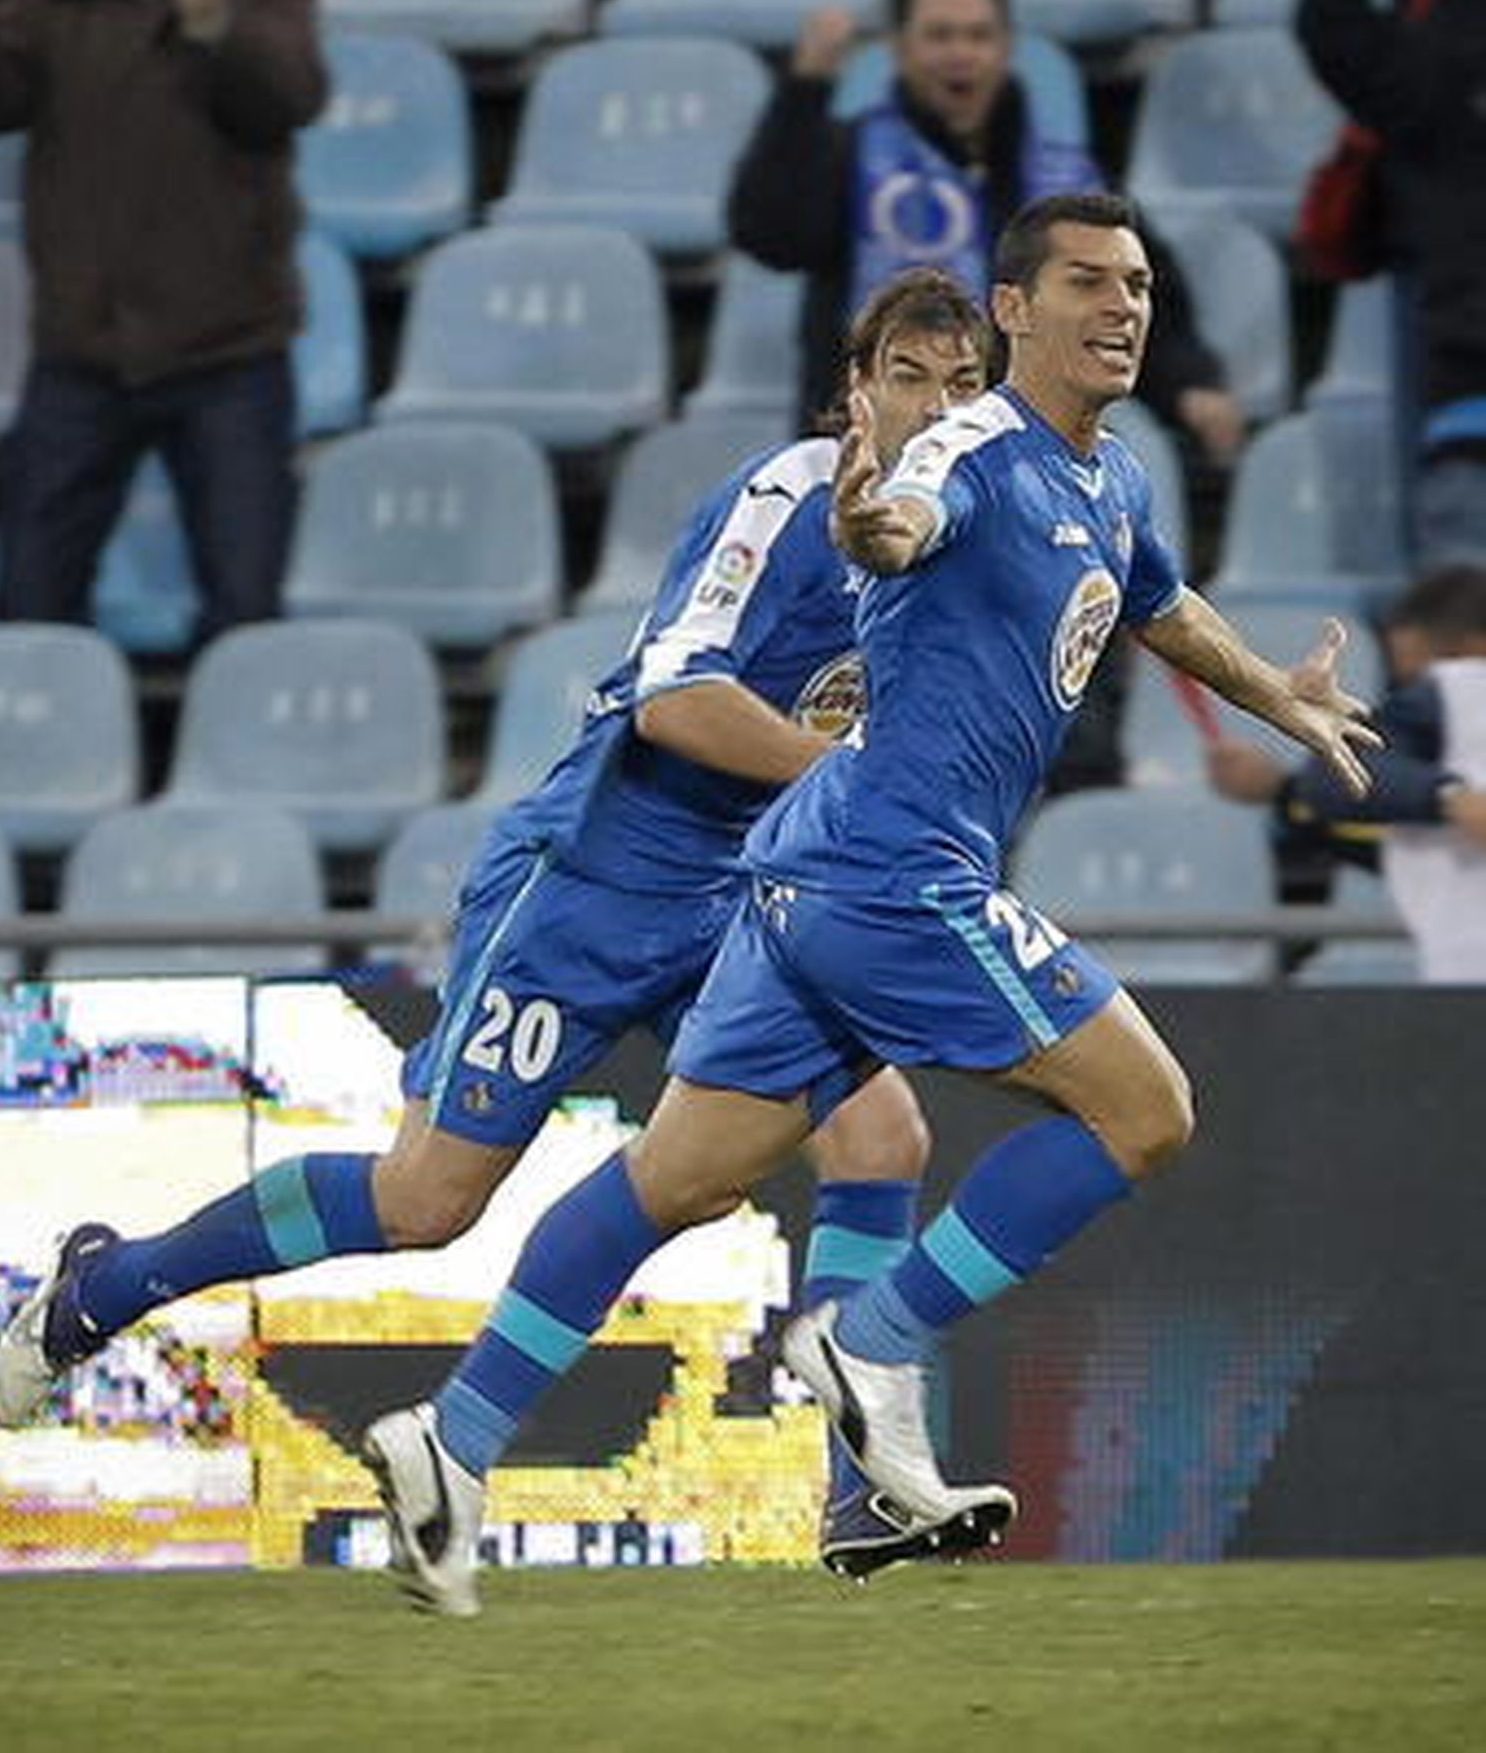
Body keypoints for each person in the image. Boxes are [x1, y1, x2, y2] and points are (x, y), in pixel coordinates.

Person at [359, 192, 1380, 1620]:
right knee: (1146, 1112)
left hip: (798, 875)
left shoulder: (1110, 476)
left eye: (1138, 283)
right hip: (899, 871)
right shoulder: (971, 445)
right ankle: (875, 1344)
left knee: (679, 1176)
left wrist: (1276, 694)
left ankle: (450, 1443)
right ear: (1014, 310)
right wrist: (872, 519)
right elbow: (905, 518)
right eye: (1087, 282)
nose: (1123, 306)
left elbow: (1157, 602)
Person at [0, 268, 996, 1584]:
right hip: (595, 882)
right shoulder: (789, 498)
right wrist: (847, 779)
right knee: (424, 1203)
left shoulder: (958, 536)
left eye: (962, 386)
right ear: (853, 392)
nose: (931, 410)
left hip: (748, 899)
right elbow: (674, 705)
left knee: (880, 1130)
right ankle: (109, 1285)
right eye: (906, 378)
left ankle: (860, 1490)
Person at [0, 0, 327, 642]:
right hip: (79, 356)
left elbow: (290, 100)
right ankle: (42, 759)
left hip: (228, 357)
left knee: (245, 612)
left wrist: (214, 24)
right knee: (29, 603)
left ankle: (227, 759)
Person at [728, 0, 1248, 473]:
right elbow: (769, 234)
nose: (961, 53)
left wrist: (1187, 384)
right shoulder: (851, 154)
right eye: (939, 36)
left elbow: (1125, 292)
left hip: (1020, 459)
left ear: (1005, 49)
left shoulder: (1066, 176)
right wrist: (805, 89)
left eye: (978, 36)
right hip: (872, 455)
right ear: (901, 49)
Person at [1296, 0, 1486, 566]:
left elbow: (1333, 24)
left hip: (1463, 397)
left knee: (1459, 648)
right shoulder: (1442, 69)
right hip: (1466, 400)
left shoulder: (1441, 70)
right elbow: (1333, 24)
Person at [1207, 563, 1486, 979]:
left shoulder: (1462, 686)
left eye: (1414, 675)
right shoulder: (1443, 734)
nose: (1409, 694)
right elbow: (1347, 788)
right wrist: (1450, 798)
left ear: (1473, 650)